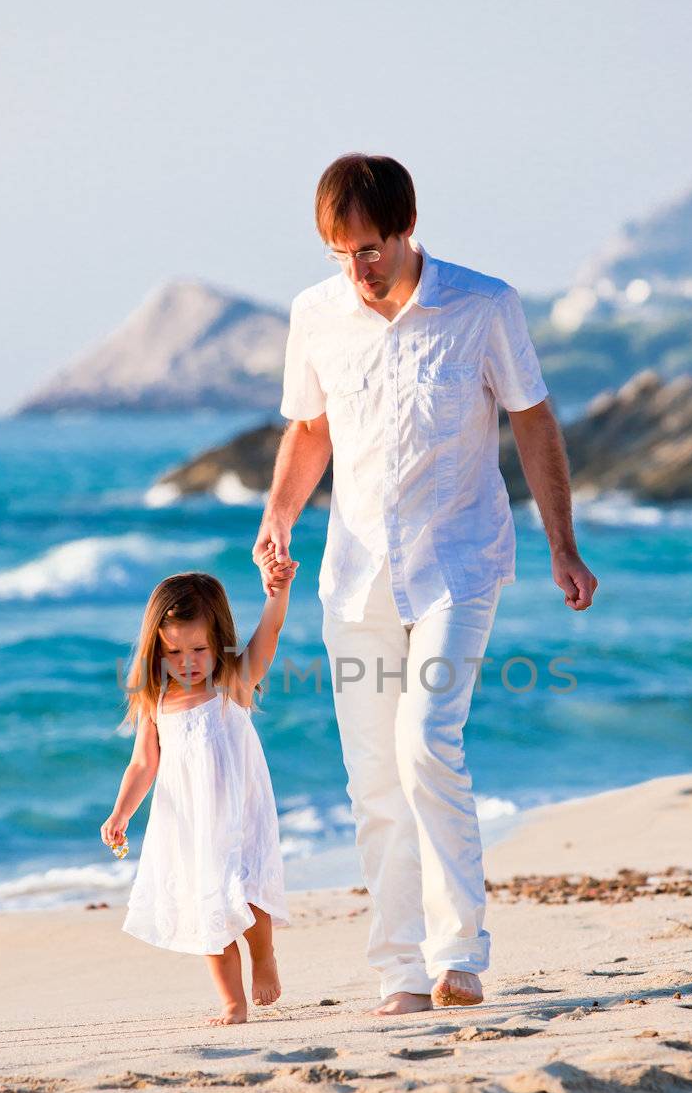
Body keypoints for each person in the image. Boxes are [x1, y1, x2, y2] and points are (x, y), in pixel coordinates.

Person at [254, 153, 598, 1018]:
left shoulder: (482, 306)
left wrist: (562, 543)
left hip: (458, 566)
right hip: (353, 577)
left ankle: (459, 956)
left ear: (406, 230)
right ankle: (398, 970)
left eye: (369, 248)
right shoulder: (316, 315)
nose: (357, 269)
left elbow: (532, 419)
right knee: (373, 778)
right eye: (340, 252)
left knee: (425, 744)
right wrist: (277, 517)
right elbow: (308, 427)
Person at [102, 550, 298, 1026]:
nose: (188, 662)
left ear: (219, 643)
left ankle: (265, 955)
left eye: (199, 649)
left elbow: (269, 633)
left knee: (249, 893)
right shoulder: (156, 701)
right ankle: (232, 1003)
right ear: (156, 649)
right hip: (191, 822)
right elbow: (143, 764)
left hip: (241, 810)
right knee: (208, 907)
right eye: (174, 652)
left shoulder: (233, 681)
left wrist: (278, 591)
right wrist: (121, 812)